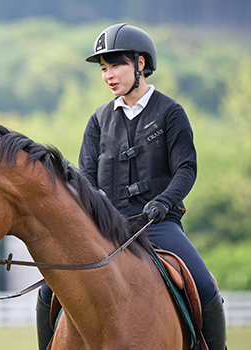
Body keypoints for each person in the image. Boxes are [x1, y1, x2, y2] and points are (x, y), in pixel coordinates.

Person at [35, 23, 226, 350]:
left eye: (116, 65)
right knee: (47, 290)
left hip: (158, 225)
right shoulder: (98, 120)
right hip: (106, 228)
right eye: (104, 69)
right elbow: (87, 176)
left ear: (140, 64)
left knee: (206, 286)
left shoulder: (170, 113)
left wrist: (164, 203)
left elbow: (186, 168)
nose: (109, 75)